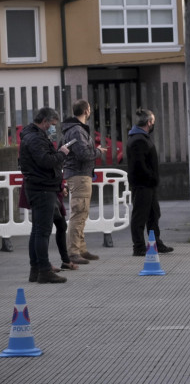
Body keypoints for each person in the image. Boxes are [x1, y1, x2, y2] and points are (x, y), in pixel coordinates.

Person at [19, 107, 70, 283]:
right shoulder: (35, 138)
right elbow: (46, 161)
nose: (53, 128)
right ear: (45, 121)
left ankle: (36, 269)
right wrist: (61, 154)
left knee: (37, 230)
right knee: (43, 231)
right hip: (42, 188)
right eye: (52, 125)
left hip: (39, 186)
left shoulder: (32, 136)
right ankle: (44, 270)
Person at [61, 99, 107, 264]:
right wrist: (98, 151)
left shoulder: (74, 129)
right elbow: (84, 154)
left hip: (80, 174)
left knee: (82, 213)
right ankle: (74, 251)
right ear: (87, 111)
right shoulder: (77, 131)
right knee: (78, 213)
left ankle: (81, 248)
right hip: (79, 175)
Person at [127, 108, 174, 256]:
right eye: (153, 122)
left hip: (147, 184)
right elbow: (140, 164)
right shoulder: (139, 140)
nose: (153, 124)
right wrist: (150, 177)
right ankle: (139, 246)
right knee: (140, 215)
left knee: (154, 214)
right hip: (143, 184)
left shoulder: (140, 137)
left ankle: (156, 242)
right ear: (149, 122)